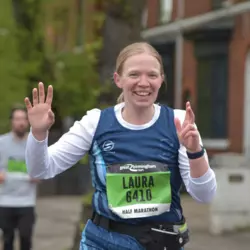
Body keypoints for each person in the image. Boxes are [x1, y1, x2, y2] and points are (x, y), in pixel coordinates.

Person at [24, 42, 217, 250]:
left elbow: (204, 195)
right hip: (103, 241)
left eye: (152, 75)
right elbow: (40, 169)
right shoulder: (95, 123)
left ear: (161, 79)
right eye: (134, 75)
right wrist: (38, 133)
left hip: (160, 243)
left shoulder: (179, 122)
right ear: (118, 79)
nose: (143, 83)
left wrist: (195, 152)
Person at [0, 106, 39, 250]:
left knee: (25, 237)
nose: (21, 122)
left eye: (24, 119)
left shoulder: (35, 143)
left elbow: (43, 168)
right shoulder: (2, 143)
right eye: (17, 119)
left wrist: (38, 175)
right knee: (8, 239)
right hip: (5, 200)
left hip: (26, 201)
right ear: (12, 121)